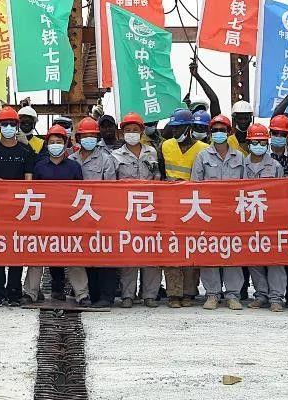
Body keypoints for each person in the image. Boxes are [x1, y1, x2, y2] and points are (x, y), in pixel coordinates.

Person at [23, 125, 90, 307]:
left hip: (69, 219)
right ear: (47, 144)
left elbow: (81, 193)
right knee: (37, 255)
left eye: (59, 142)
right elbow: (32, 193)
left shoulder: (74, 167)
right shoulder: (40, 167)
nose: (55, 145)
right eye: (52, 142)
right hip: (44, 219)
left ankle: (82, 294)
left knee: (74, 256)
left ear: (65, 143)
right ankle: (30, 292)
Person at [191, 114, 247, 310]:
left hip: (233, 213)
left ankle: (233, 295)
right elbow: (194, 186)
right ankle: (212, 294)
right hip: (209, 213)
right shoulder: (202, 156)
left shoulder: (239, 156)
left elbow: (246, 186)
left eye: (222, 130)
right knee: (210, 252)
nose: (218, 133)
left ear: (229, 132)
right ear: (210, 133)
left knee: (233, 253)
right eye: (215, 130)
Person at [0, 106, 36, 307]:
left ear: (17, 127)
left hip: (18, 209)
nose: (7, 127)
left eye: (11, 124)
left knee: (16, 250)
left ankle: (14, 291)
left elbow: (29, 181)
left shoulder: (26, 152)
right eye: (3, 124)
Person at [111, 111, 162, 308]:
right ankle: (128, 295)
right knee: (129, 252)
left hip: (149, 208)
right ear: (122, 133)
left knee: (151, 251)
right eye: (128, 130)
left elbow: (157, 174)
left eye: (135, 130)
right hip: (127, 210)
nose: (131, 133)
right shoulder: (115, 156)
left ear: (141, 131)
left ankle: (150, 294)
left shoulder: (152, 151)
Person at [158, 108, 207, 307]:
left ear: (188, 128)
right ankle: (173, 293)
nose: (175, 132)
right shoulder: (165, 146)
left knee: (191, 249)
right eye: (173, 128)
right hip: (170, 204)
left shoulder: (203, 149)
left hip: (193, 206)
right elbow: (161, 174)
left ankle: (189, 292)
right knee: (171, 249)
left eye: (179, 128)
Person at [69, 116, 118, 307]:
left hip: (100, 215)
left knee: (104, 255)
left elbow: (111, 189)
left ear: (97, 138)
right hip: (77, 215)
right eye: (84, 135)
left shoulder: (106, 160)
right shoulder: (71, 159)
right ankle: (88, 294)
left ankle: (107, 296)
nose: (88, 139)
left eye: (92, 135)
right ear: (79, 138)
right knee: (84, 256)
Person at [241, 123, 288, 312]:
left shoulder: (275, 166)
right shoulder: (240, 164)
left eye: (262, 142)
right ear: (249, 143)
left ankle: (276, 297)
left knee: (275, 259)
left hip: (271, 219)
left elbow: (281, 193)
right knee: (255, 259)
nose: (258, 145)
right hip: (248, 217)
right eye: (255, 142)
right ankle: (261, 295)